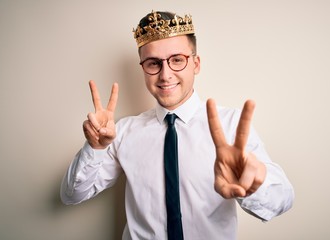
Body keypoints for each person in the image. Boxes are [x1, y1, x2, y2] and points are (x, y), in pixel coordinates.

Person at [61, 10, 294, 240]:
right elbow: (71, 195)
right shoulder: (123, 132)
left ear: (196, 64)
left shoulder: (231, 126)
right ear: (143, 67)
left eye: (177, 60)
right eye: (153, 63)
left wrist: (252, 181)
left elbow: (281, 200)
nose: (165, 74)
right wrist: (95, 148)